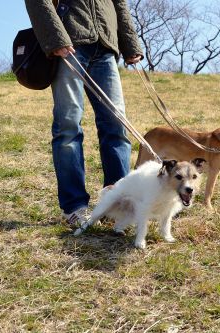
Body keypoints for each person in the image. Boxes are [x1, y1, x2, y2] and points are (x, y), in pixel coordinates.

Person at [24, 0, 143, 226]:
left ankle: (117, 205)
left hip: (106, 46)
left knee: (117, 126)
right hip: (68, 44)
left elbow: (119, 3)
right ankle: (74, 208)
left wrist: (130, 44)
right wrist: (55, 38)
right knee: (68, 126)